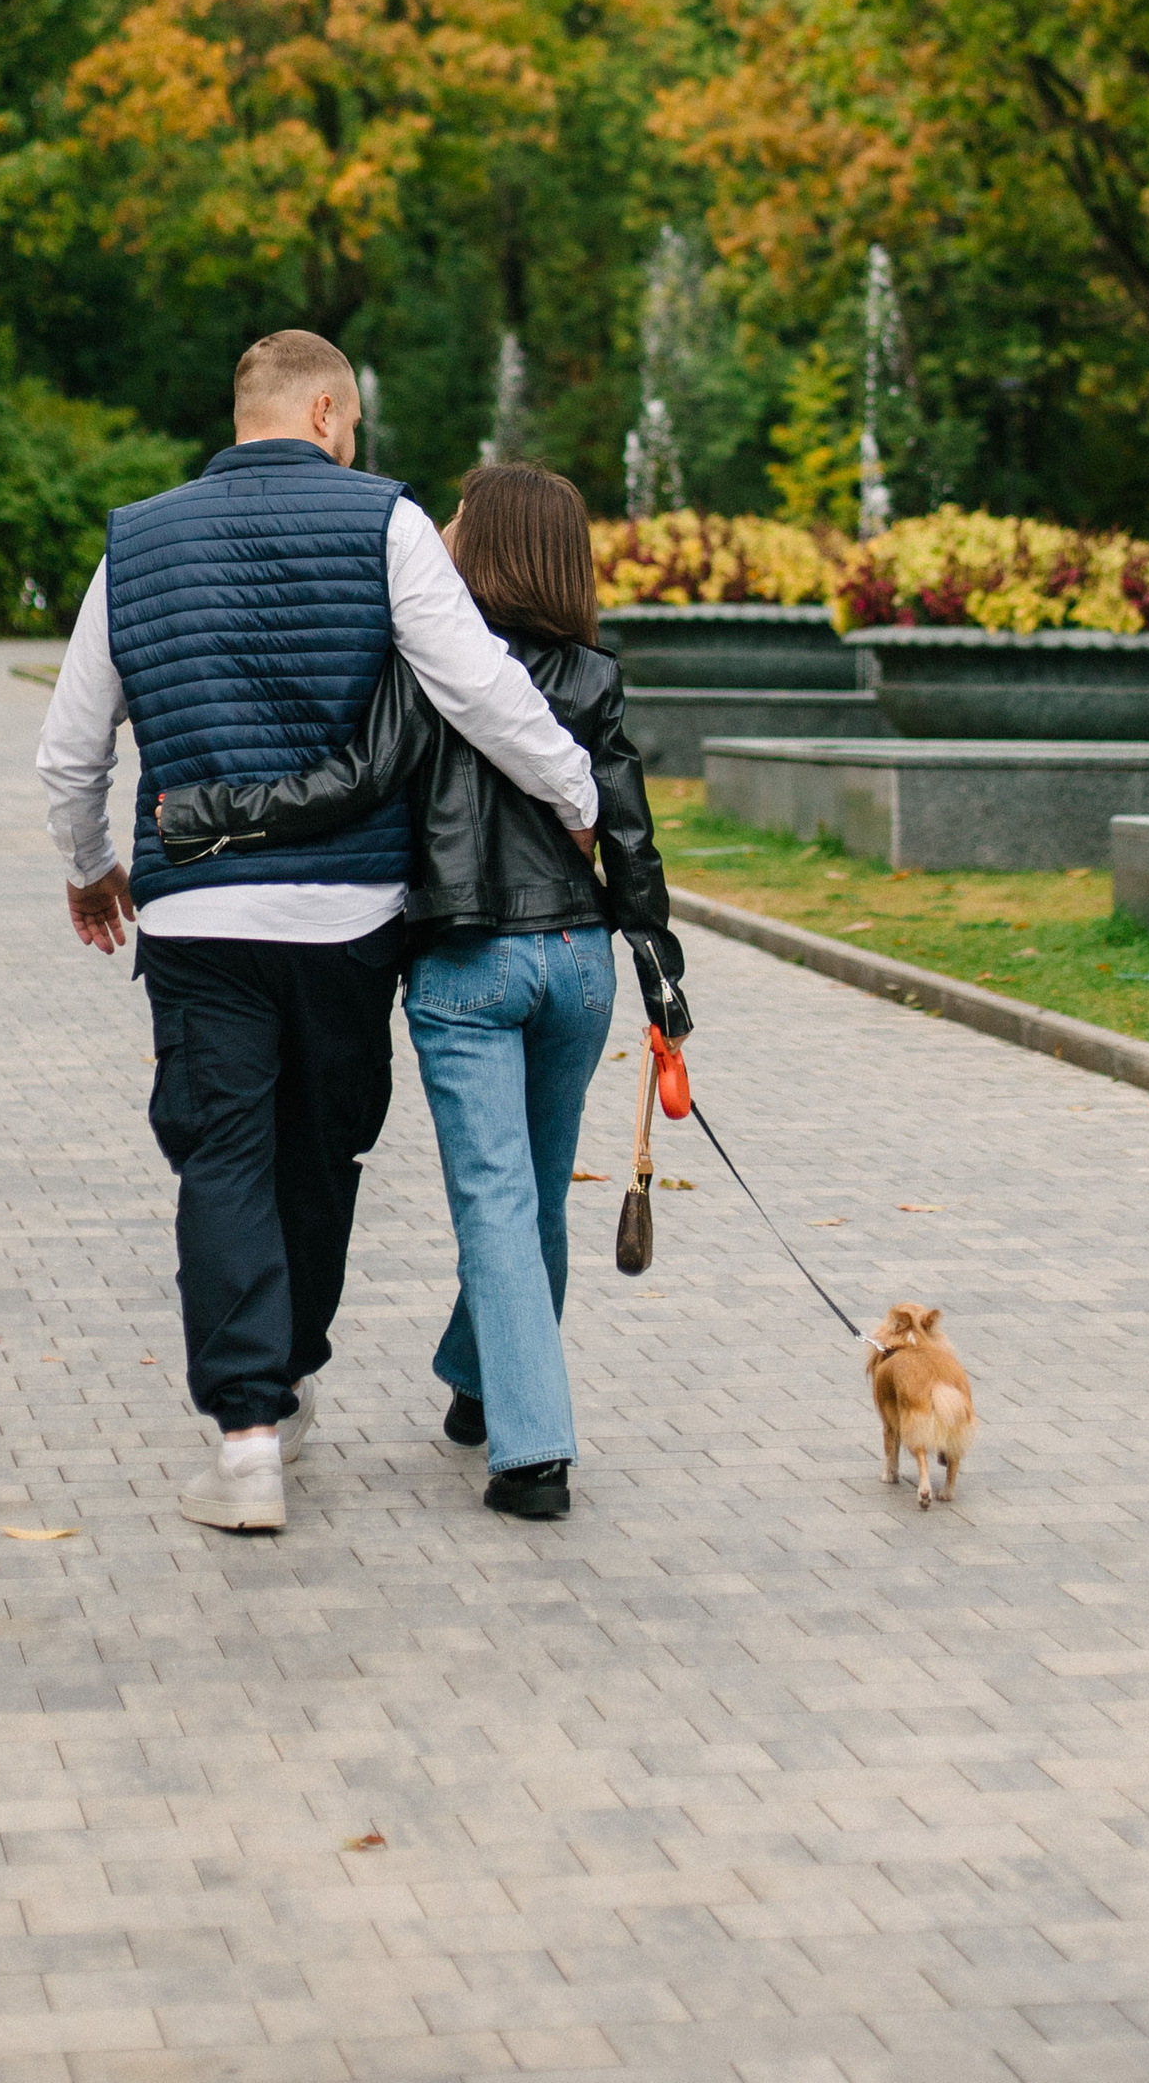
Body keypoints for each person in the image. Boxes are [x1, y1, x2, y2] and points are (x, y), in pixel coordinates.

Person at [33, 330, 601, 1535]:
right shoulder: (386, 522)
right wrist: (579, 793)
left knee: (221, 1156)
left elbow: (71, 747)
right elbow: (481, 685)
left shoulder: (134, 539)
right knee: (320, 1151)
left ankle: (247, 1437)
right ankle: (285, 1379)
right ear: (330, 411)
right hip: (352, 918)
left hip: (198, 916)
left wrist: (92, 870)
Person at [204, 458, 685, 1522]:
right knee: (537, 1190)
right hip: (577, 964)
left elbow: (353, 781)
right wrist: (660, 968)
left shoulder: (424, 663)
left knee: (498, 1200)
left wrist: (219, 810)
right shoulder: (594, 677)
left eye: (462, 520)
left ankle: (532, 1454)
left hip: (468, 964)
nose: (446, 533)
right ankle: (480, 1385)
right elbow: (629, 835)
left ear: (491, 546)